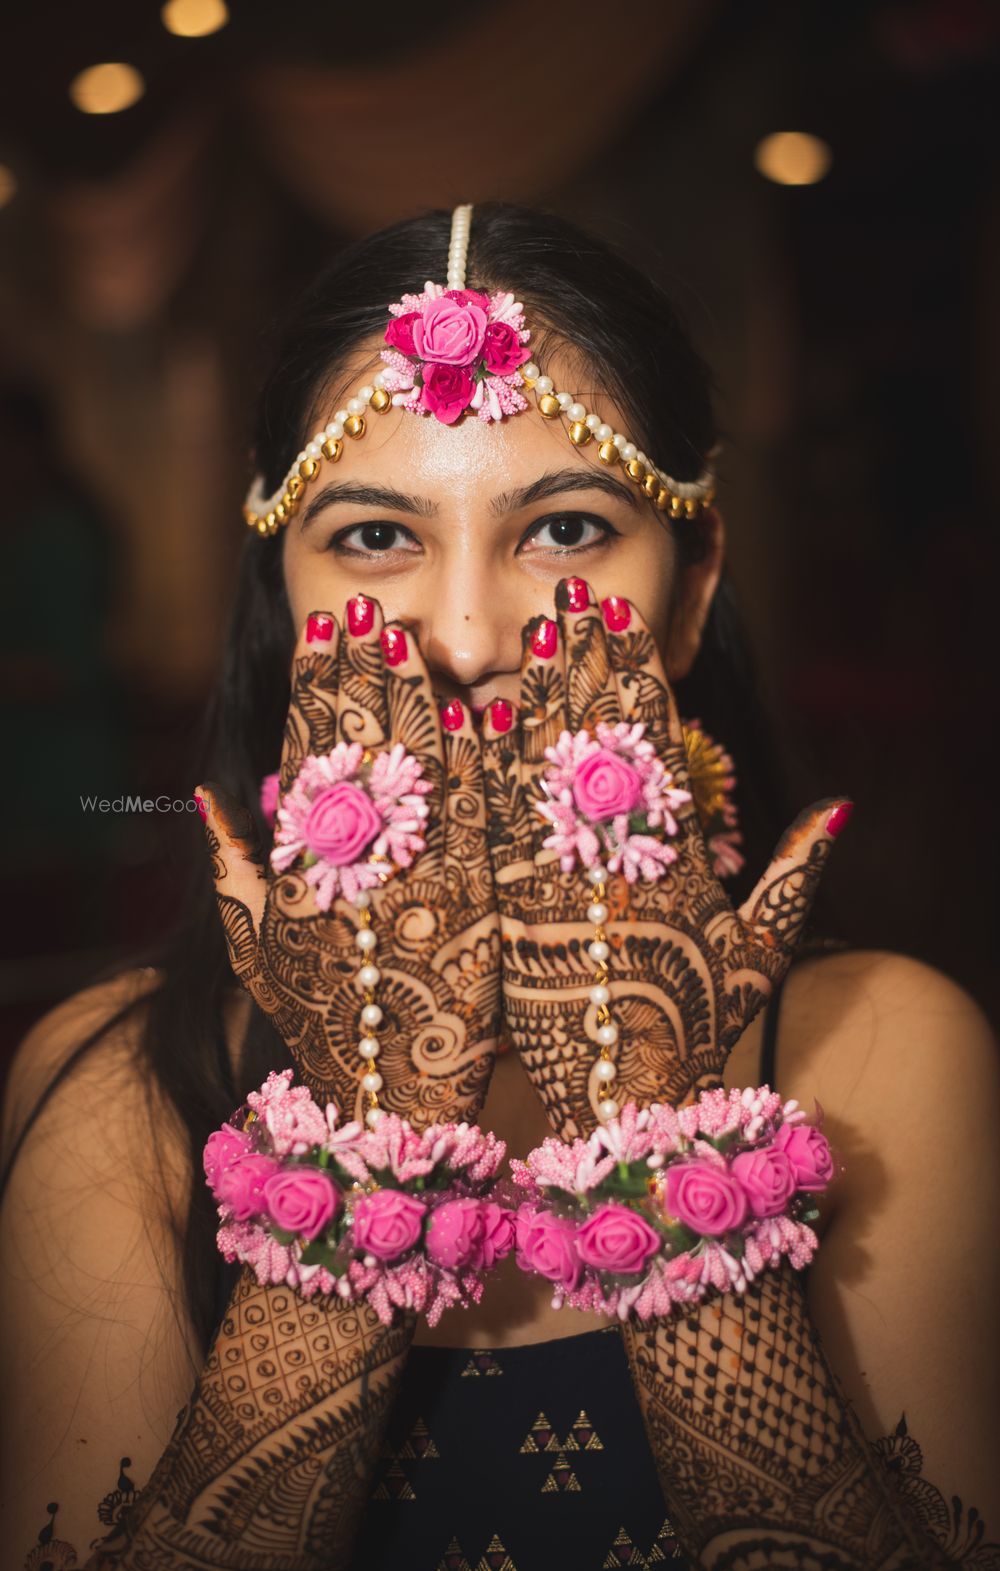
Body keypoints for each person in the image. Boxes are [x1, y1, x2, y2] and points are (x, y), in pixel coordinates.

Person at [1, 202, 997, 1571]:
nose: (467, 636)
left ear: (692, 590)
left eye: (566, 528)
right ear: (281, 604)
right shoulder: (119, 1092)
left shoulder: (886, 1058)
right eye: (369, 539)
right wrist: (374, 1136)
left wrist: (651, 1131)